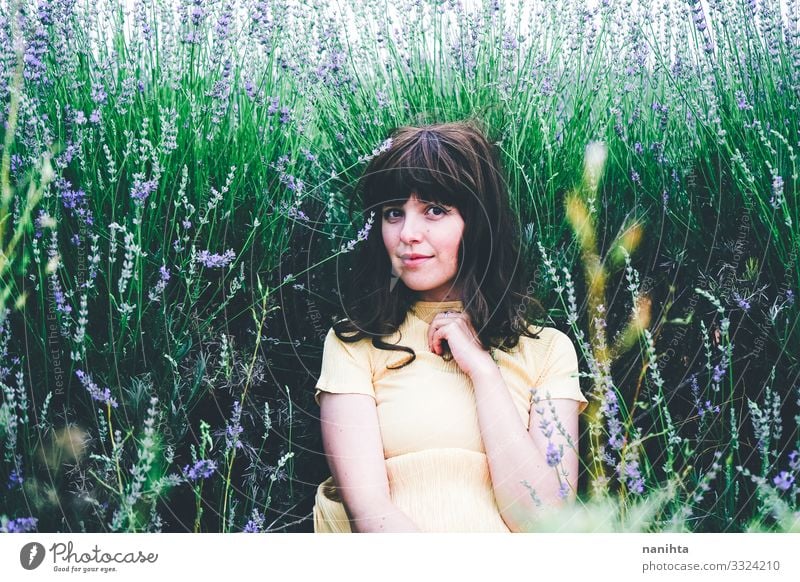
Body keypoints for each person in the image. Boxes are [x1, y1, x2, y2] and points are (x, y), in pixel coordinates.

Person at [312, 120, 588, 533]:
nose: (407, 234)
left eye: (435, 210)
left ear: (477, 224)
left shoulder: (547, 350)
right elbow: (371, 513)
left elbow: (543, 519)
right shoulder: (354, 345)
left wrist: (483, 371)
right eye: (393, 213)